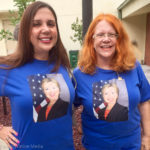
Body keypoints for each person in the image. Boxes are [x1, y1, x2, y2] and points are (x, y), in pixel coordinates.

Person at [0, 1, 75, 150]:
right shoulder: (8, 68)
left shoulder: (62, 65)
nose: (46, 29)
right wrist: (1, 129)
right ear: (26, 31)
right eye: (36, 24)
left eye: (51, 24)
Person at [73, 13, 150, 150]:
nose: (106, 39)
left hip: (132, 145)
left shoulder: (133, 67)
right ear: (92, 39)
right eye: (100, 35)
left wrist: (147, 136)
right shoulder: (79, 74)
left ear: (119, 39)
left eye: (111, 34)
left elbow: (144, 101)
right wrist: (77, 125)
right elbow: (68, 107)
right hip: (95, 146)